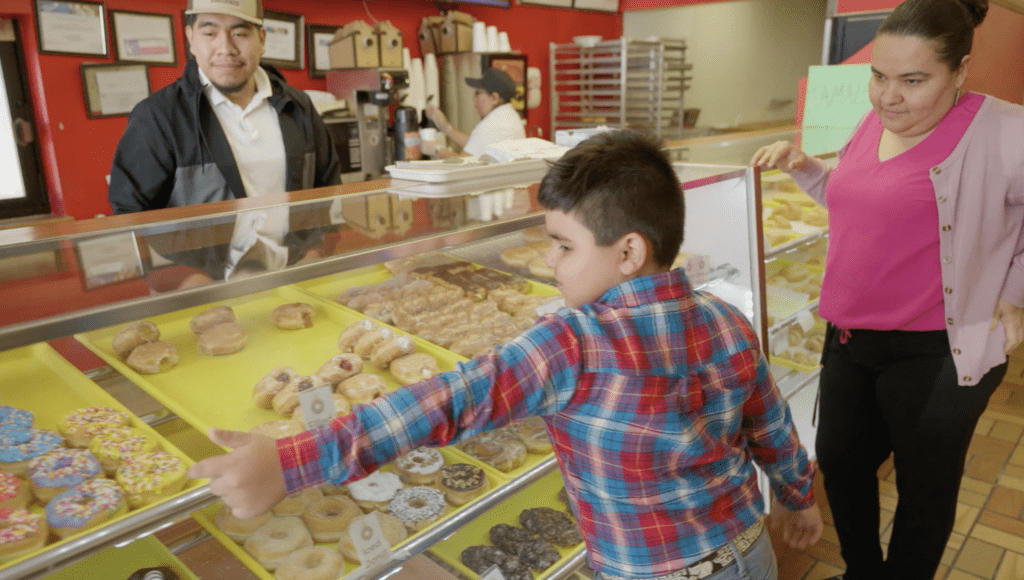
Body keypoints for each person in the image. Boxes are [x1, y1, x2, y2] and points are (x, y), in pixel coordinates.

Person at [191, 130, 823, 580]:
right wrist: (798, 499)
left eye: (562, 246)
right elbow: (771, 430)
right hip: (746, 554)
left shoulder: (572, 343)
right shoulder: (726, 320)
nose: (549, 262)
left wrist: (293, 460)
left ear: (627, 253)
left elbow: (443, 402)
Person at [750, 1, 1024, 578]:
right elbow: (866, 206)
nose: (887, 96)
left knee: (926, 482)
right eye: (878, 76)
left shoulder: (1004, 129)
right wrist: (807, 169)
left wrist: (1017, 290)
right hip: (850, 334)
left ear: (960, 71)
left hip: (938, 349)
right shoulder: (876, 120)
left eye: (912, 80)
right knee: (841, 463)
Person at [107, 0, 341, 284]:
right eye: (210, 33)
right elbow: (130, 215)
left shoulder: (299, 106)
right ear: (191, 39)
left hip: (295, 278)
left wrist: (316, 253)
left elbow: (329, 193)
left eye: (240, 33)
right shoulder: (159, 116)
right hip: (206, 291)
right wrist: (186, 279)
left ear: (262, 39)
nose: (226, 48)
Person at [425, 67, 526, 158]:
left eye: (478, 93)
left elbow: (464, 164)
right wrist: (445, 127)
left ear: (494, 98)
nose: (474, 98)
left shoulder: (493, 124)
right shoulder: (508, 116)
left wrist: (436, 150)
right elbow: (475, 143)